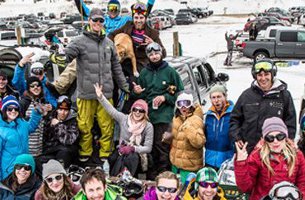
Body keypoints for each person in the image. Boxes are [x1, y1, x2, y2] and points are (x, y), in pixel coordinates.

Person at [63, 8, 129, 163]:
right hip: (86, 92)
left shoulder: (109, 43)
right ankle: (85, 152)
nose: (98, 23)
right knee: (84, 125)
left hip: (105, 93)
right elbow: (67, 54)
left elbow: (116, 68)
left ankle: (106, 153)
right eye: (95, 20)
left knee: (107, 125)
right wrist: (61, 55)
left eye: (101, 20)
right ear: (89, 21)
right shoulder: (79, 41)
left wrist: (124, 86)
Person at [133, 42, 184, 179]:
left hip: (165, 117)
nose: (154, 56)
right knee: (149, 147)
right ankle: (151, 174)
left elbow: (180, 94)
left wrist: (165, 97)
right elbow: (140, 96)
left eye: (156, 53)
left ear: (161, 53)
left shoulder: (170, 72)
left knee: (162, 146)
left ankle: (163, 174)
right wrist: (136, 92)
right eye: (151, 54)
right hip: (148, 118)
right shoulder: (144, 73)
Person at [230, 59, 296, 154]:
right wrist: (236, 137)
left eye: (266, 74)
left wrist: (288, 139)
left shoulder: (284, 96)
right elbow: (235, 119)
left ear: (272, 75)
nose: (263, 78)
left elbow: (290, 121)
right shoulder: (246, 95)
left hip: (274, 150)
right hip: (249, 149)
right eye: (260, 75)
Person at [234, 117, 305, 200]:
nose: (275, 141)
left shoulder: (297, 155)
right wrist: (241, 163)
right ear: (265, 140)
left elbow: (302, 184)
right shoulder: (257, 156)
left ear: (285, 137)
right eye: (270, 138)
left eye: (280, 136)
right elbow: (245, 188)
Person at [94, 83, 153, 177]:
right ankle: (115, 179)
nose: (137, 112)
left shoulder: (148, 126)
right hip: (121, 150)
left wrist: (133, 148)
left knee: (131, 157)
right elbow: (111, 110)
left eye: (141, 111)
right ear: (132, 110)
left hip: (137, 154)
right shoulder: (124, 119)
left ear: (145, 113)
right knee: (112, 158)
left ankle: (129, 179)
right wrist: (100, 97)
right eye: (135, 109)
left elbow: (148, 148)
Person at [108, 1, 166, 73]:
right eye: (136, 17)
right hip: (125, 62)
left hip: (142, 65)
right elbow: (111, 34)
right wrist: (115, 45)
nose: (138, 21)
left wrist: (153, 44)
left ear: (145, 19)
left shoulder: (152, 33)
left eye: (141, 18)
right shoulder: (127, 26)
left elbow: (164, 53)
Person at [0, 95, 42, 181]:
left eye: (16, 109)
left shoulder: (21, 123)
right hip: (9, 171)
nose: (13, 111)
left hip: (24, 169)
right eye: (10, 109)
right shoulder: (1, 130)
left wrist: (36, 112)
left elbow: (31, 127)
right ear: (4, 110)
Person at [170, 92, 205, 184]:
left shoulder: (196, 120)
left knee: (187, 192)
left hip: (189, 166)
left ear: (191, 104)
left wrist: (189, 129)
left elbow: (199, 143)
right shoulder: (176, 118)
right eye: (180, 104)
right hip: (175, 165)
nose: (183, 107)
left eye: (186, 103)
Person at [19, 76, 53, 158]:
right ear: (28, 88)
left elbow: (47, 122)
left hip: (40, 145)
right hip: (27, 146)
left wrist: (49, 113)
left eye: (38, 85)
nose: (35, 88)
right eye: (32, 86)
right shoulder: (24, 102)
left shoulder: (43, 101)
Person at [43, 95, 79, 168]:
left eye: (66, 110)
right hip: (50, 150)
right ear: (57, 109)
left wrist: (58, 125)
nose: (63, 113)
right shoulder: (50, 117)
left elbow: (69, 140)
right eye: (60, 110)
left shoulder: (73, 121)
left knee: (64, 153)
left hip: (66, 152)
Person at [205, 85, 234, 171]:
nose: (216, 100)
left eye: (219, 97)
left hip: (226, 159)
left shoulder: (233, 114)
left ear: (225, 96)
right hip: (209, 159)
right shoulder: (209, 115)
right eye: (213, 97)